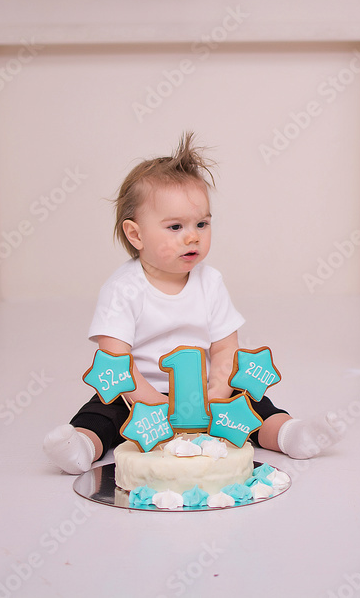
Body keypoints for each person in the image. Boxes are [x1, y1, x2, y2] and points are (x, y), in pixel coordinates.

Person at [43, 132, 340, 474]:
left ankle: (291, 435)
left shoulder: (209, 282)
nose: (192, 235)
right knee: (102, 413)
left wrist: (218, 390)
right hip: (140, 393)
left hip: (202, 395)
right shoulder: (124, 289)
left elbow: (227, 347)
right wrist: (150, 403)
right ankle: (81, 445)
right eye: (175, 226)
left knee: (253, 404)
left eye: (201, 223)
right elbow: (115, 360)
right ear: (136, 234)